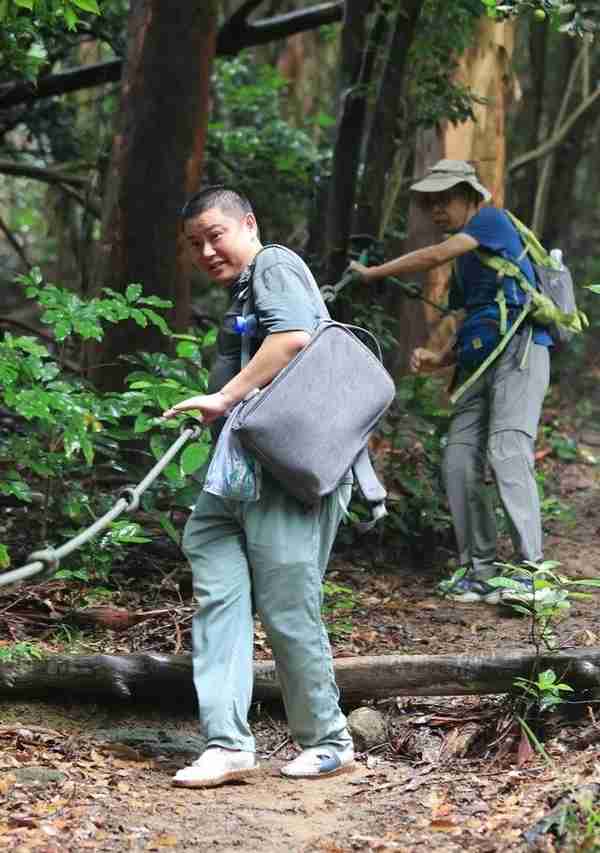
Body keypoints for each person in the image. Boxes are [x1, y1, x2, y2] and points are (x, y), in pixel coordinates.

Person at [162, 186, 354, 788]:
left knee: (287, 605)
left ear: (248, 222)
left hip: (289, 473)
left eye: (215, 235)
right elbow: (236, 382)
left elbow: (294, 335)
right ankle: (226, 743)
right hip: (237, 476)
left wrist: (222, 397)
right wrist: (210, 408)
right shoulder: (238, 299)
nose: (207, 251)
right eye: (196, 244)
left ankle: (329, 739)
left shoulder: (274, 264)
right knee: (217, 593)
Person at [350, 160, 552, 605]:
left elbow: (434, 256)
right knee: (459, 460)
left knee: (506, 449)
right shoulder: (468, 263)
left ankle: (534, 573)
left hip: (521, 350)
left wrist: (374, 272)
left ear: (472, 197)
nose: (438, 208)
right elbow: (470, 318)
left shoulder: (492, 221)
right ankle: (480, 571)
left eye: (447, 198)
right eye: (431, 201)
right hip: (479, 365)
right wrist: (439, 357)